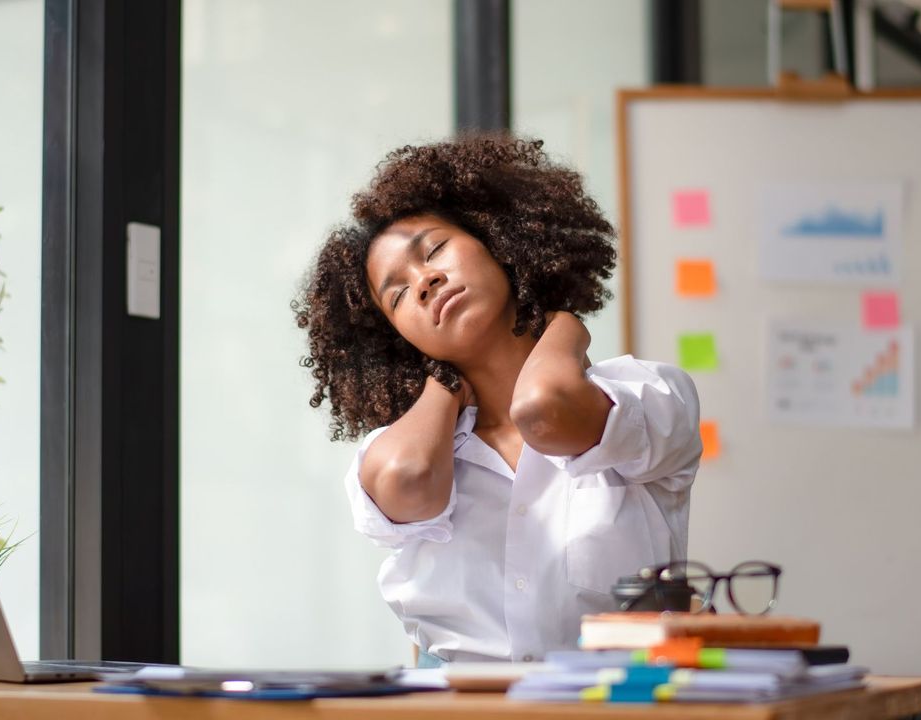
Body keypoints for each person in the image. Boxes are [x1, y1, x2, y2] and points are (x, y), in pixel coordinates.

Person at [293, 135, 702, 666]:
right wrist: (445, 382)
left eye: (434, 251)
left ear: (499, 242)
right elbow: (409, 478)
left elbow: (544, 411)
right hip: (458, 704)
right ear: (398, 337)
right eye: (397, 295)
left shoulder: (648, 394)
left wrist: (563, 327)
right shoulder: (404, 446)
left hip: (614, 700)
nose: (425, 281)